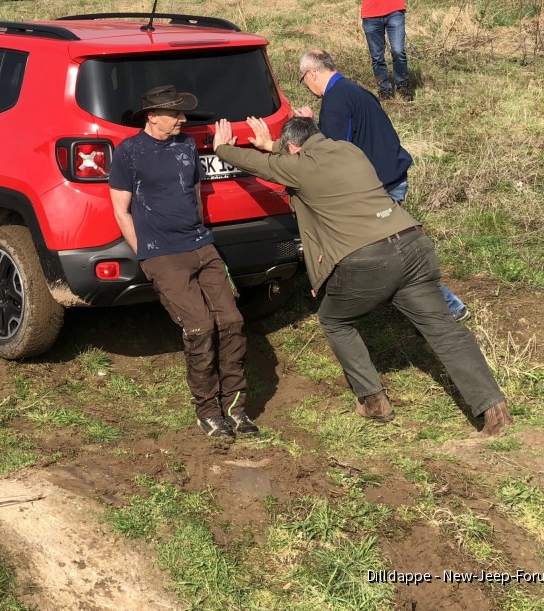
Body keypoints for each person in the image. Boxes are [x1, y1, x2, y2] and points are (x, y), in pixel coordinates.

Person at [212, 116, 512, 436]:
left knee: (335, 321)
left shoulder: (300, 168)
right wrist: (273, 144)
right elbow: (300, 155)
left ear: (293, 149)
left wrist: (221, 148)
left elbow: (261, 166)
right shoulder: (349, 150)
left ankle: (373, 400)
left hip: (369, 260)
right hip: (413, 245)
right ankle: (495, 410)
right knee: (446, 331)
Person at [109, 86, 258, 441]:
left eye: (182, 113)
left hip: (201, 246)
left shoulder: (186, 145)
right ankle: (208, 412)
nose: (183, 119)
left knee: (232, 321)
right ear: (152, 116)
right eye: (175, 114)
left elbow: (193, 192)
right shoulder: (129, 152)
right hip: (162, 253)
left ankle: (236, 410)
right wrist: (145, 252)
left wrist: (201, 230)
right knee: (199, 327)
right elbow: (120, 209)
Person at [293, 48, 468, 321]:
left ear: (312, 73)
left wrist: (308, 132)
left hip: (379, 186)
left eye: (302, 78)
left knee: (396, 252)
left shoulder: (336, 101)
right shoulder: (354, 90)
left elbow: (333, 155)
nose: (305, 84)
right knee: (392, 248)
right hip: (391, 175)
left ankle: (448, 306)